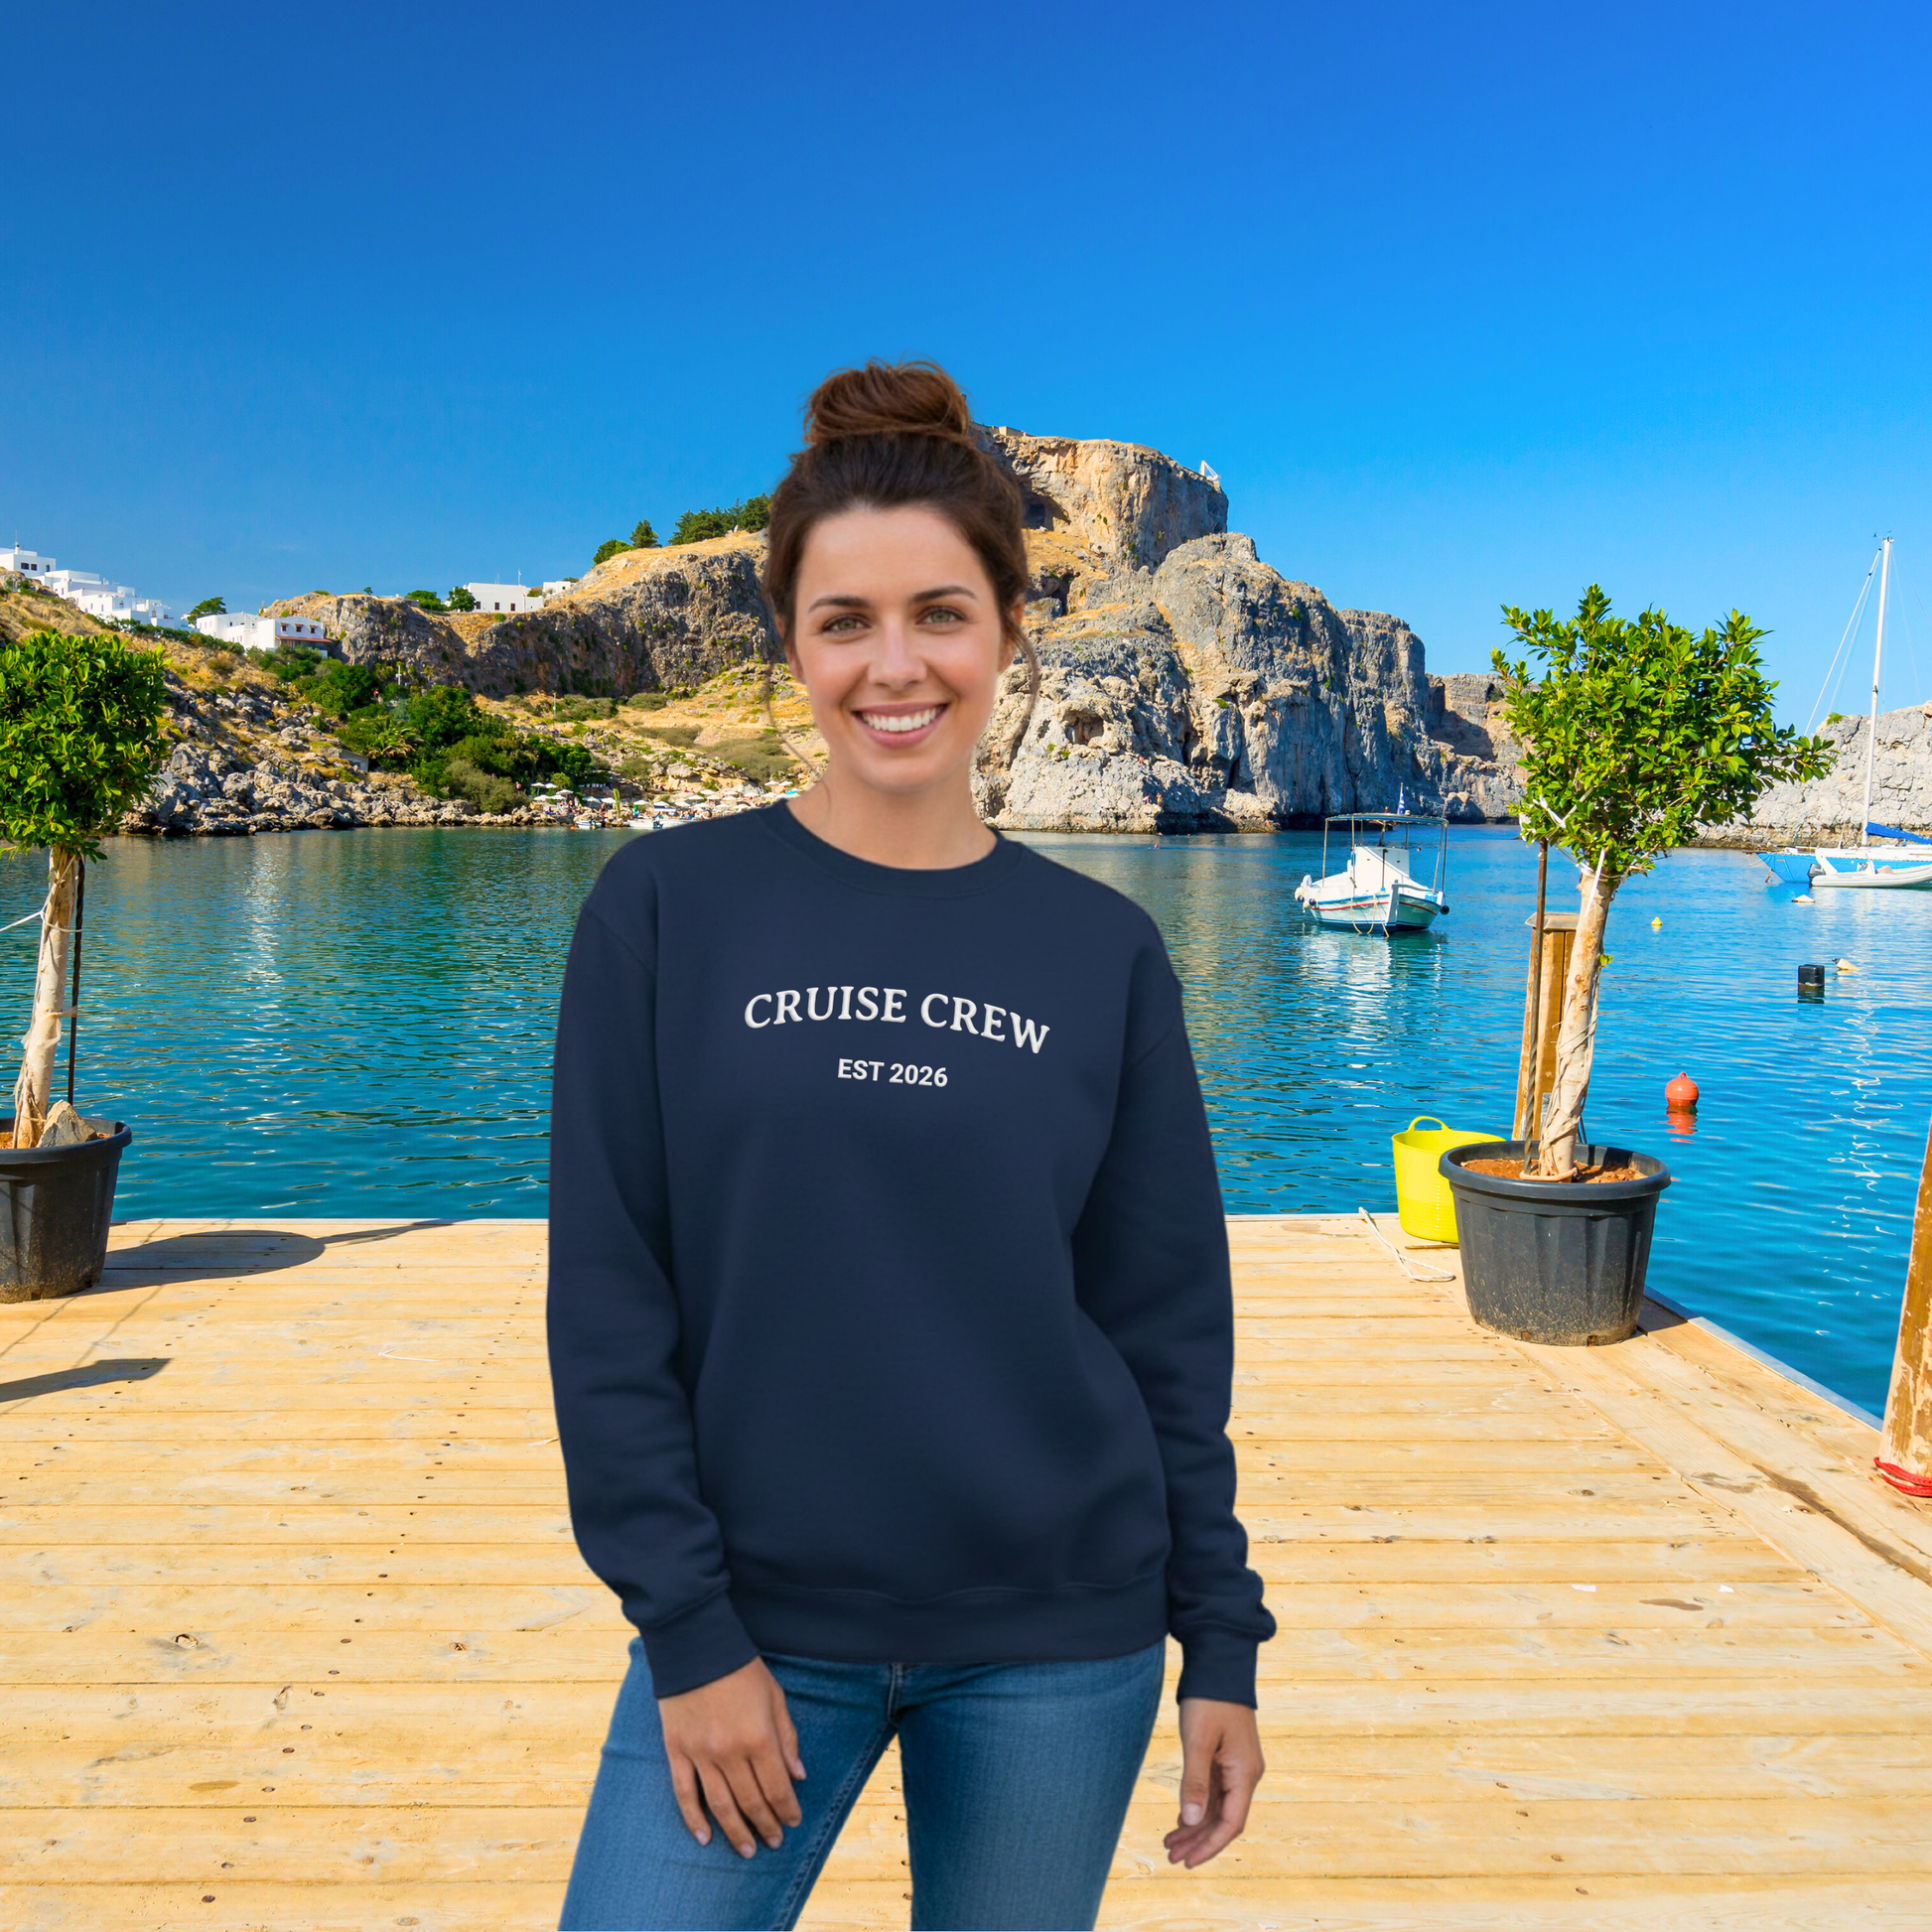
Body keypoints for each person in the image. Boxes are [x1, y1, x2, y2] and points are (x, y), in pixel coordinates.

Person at [547, 359, 1274, 1932]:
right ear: (791, 647)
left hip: (1061, 1638)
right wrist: (686, 1628)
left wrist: (1220, 1636)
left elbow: (1163, 1328)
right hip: (751, 1627)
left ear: (1009, 632)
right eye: (844, 621)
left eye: (940, 612)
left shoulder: (1100, 953)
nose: (896, 664)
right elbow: (610, 1304)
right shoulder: (663, 911)